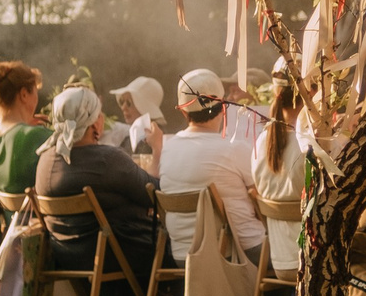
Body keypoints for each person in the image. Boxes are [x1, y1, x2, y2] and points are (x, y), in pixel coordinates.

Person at [33, 88, 163, 296]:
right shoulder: (107, 159)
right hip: (117, 252)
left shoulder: (46, 159)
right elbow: (154, 193)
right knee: (175, 246)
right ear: (95, 123)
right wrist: (158, 151)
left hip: (65, 253)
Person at [159, 68, 266, 263]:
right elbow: (262, 199)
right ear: (224, 107)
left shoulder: (167, 148)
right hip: (238, 254)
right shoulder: (234, 150)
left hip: (183, 257)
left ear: (183, 111)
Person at [250, 66, 309, 273]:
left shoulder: (261, 142)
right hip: (315, 263)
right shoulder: (311, 145)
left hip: (279, 261)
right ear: (310, 93)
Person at [0, 61, 49, 197]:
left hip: (7, 218)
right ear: (24, 94)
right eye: (35, 92)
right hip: (36, 217)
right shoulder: (37, 135)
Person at [107, 75, 166, 158]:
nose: (123, 108)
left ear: (145, 106)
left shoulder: (157, 139)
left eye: (129, 103)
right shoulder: (129, 139)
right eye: (122, 101)